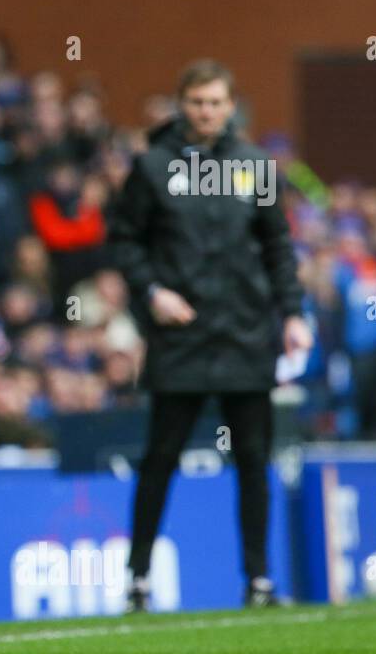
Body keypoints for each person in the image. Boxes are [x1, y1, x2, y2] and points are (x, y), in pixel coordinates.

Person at [106, 60, 312, 612]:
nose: (207, 112)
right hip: (182, 336)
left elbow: (278, 249)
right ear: (181, 104)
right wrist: (152, 292)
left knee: (252, 457)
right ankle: (138, 578)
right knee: (161, 457)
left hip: (245, 332)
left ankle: (259, 580)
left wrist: (292, 314)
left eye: (216, 103)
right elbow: (123, 241)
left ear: (231, 106)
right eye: (197, 102)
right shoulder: (151, 167)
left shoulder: (255, 166)